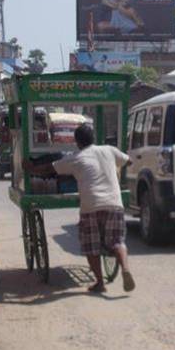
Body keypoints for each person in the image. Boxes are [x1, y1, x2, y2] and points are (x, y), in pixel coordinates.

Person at [25, 124, 136, 294]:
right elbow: (129, 160)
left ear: (76, 142)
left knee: (91, 245)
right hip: (114, 202)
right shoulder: (109, 150)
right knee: (117, 241)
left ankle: (100, 283)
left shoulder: (76, 157)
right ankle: (126, 269)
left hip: (91, 205)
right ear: (94, 138)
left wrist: (31, 168)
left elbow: (49, 168)